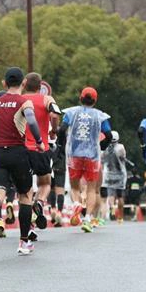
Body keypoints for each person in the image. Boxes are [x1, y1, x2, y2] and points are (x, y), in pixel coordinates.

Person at [0, 67, 43, 255]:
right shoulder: (25, 102)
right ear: (23, 83)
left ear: (4, 83)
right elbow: (31, 121)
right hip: (17, 152)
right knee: (25, 195)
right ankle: (23, 242)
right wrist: (38, 142)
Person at [60, 87, 112, 233]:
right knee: (91, 189)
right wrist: (101, 146)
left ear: (80, 98)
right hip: (92, 156)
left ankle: (76, 203)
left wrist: (61, 145)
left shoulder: (71, 112)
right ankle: (88, 218)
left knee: (75, 186)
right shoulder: (100, 116)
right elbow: (108, 135)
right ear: (95, 100)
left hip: (74, 155)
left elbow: (61, 129)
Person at [21, 72, 61, 233]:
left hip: (22, 149)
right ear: (40, 87)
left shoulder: (20, 100)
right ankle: (40, 202)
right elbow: (55, 113)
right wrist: (54, 130)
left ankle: (29, 217)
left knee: (25, 188)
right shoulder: (47, 99)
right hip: (41, 148)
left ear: (24, 84)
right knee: (45, 183)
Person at [100, 130, 128, 223]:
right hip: (120, 174)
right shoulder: (121, 147)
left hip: (107, 175)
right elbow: (123, 157)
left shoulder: (104, 148)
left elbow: (102, 160)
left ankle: (108, 211)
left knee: (107, 196)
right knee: (120, 196)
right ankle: (120, 217)